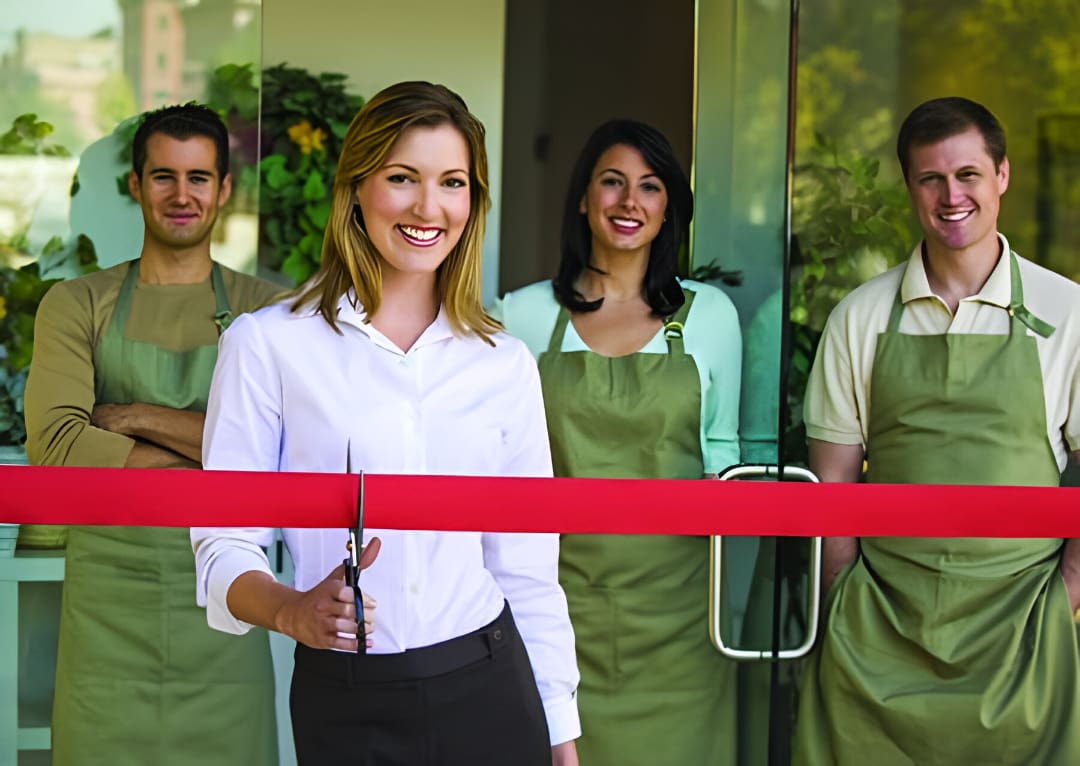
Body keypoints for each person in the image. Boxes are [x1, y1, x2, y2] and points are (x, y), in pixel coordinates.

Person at [190, 81, 581, 766]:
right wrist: (290, 611)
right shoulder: (267, 345)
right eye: (403, 178)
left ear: (473, 202)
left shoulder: (504, 363)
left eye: (452, 182)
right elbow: (223, 543)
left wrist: (561, 737)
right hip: (346, 698)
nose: (430, 207)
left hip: (491, 687)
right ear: (358, 189)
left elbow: (527, 572)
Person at [794, 96, 1080, 765]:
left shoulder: (1068, 312)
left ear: (1002, 175)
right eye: (931, 178)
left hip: (1024, 634)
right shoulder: (860, 317)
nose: (952, 196)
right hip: (881, 639)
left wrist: (1064, 598)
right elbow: (831, 485)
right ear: (910, 188)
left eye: (968, 175)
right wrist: (846, 606)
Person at [23, 104, 281, 765]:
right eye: (163, 176)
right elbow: (54, 449)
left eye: (199, 177)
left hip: (227, 598)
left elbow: (280, 455)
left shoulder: (269, 311)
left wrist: (135, 415)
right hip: (108, 608)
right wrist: (214, 461)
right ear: (136, 185)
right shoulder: (78, 303)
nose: (181, 195)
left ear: (224, 189)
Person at [493, 119, 742, 765]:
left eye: (650, 187)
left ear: (669, 210)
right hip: (552, 614)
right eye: (612, 182)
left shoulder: (709, 316)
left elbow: (728, 469)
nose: (630, 202)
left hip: (683, 626)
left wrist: (733, 616)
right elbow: (491, 474)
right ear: (582, 197)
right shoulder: (519, 317)